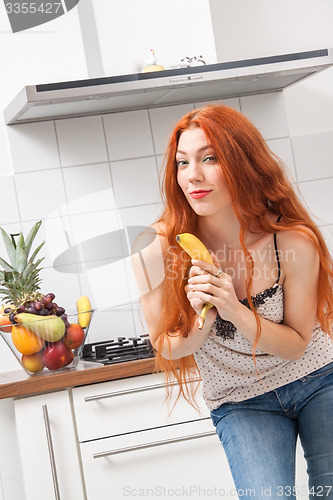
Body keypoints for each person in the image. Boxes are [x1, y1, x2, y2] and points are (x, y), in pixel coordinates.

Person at [131, 105, 333, 499]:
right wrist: (203, 315)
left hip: (318, 380)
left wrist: (235, 309)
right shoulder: (156, 249)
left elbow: (296, 344)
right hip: (240, 400)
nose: (193, 176)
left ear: (243, 163)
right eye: (183, 162)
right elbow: (166, 345)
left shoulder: (290, 240)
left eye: (210, 158)